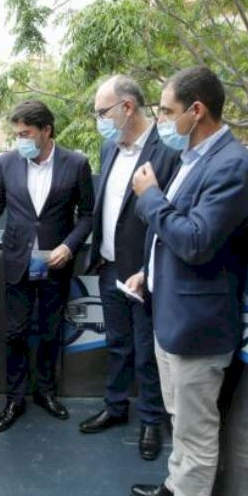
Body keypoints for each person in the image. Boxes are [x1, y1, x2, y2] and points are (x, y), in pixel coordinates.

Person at [126, 66, 248, 496]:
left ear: (196, 110)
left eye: (167, 111)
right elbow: (171, 236)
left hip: (198, 327)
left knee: (196, 427)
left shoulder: (233, 166)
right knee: (178, 417)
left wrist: (150, 196)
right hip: (170, 312)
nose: (161, 120)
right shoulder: (190, 158)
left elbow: (197, 241)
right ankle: (175, 485)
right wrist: (147, 271)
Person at [0, 100, 94, 432]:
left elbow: (87, 215)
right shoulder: (6, 162)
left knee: (50, 330)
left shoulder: (76, 163)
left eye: (26, 133)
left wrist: (69, 246)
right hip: (18, 261)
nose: (20, 140)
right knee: (15, 333)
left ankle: (45, 392)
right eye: (17, 134)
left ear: (46, 130)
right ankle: (15, 399)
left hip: (56, 263)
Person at [78, 75, 179, 462]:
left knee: (147, 351)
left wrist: (150, 271)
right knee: (117, 343)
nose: (98, 120)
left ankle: (151, 420)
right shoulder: (109, 147)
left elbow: (169, 213)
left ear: (127, 107)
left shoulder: (166, 150)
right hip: (109, 266)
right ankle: (116, 406)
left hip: (144, 272)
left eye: (101, 112)